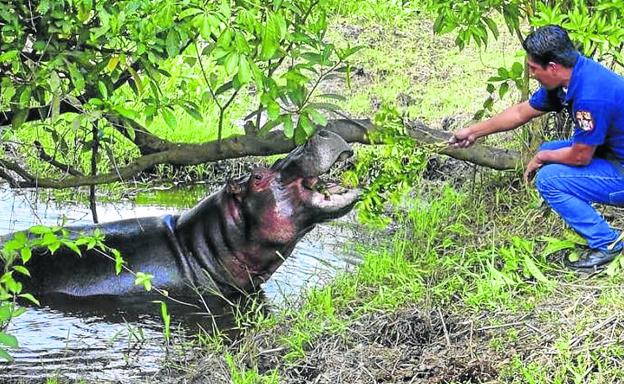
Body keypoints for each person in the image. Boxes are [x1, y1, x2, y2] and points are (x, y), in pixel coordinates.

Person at [449, 25, 624, 269]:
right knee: (551, 151)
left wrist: (542, 157)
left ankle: (607, 243)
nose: (530, 74)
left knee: (549, 179)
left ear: (552, 67)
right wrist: (473, 132)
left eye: (533, 68)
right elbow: (522, 112)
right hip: (615, 155)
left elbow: (580, 157)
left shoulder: (590, 96)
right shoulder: (571, 77)